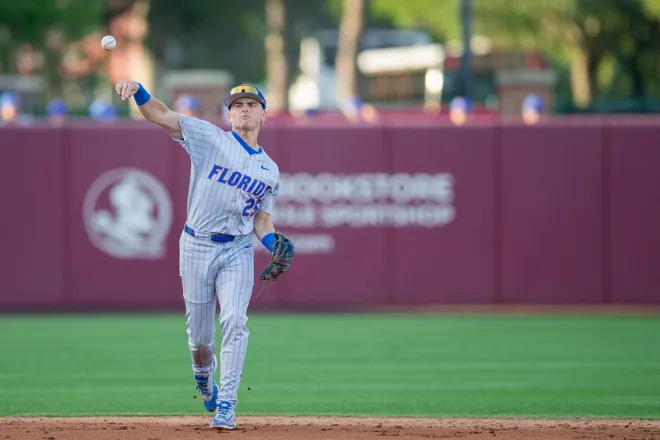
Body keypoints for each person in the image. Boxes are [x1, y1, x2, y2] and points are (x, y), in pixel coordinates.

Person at [114, 80, 293, 430]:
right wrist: (137, 90)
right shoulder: (210, 138)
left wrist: (274, 245)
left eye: (252, 104)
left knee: (235, 322)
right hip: (196, 245)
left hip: (237, 249)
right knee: (200, 340)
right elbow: (162, 115)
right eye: (237, 104)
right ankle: (202, 374)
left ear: (264, 114)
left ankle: (227, 403)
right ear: (228, 114)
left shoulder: (269, 169)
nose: (244, 108)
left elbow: (261, 219)